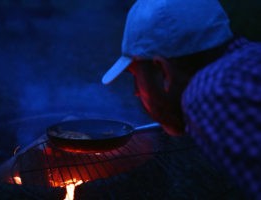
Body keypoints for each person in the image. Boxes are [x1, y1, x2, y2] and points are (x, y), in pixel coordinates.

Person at [101, 0, 261, 199]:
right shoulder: (251, 57)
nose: (136, 91)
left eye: (135, 76)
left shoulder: (210, 93)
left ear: (162, 72)